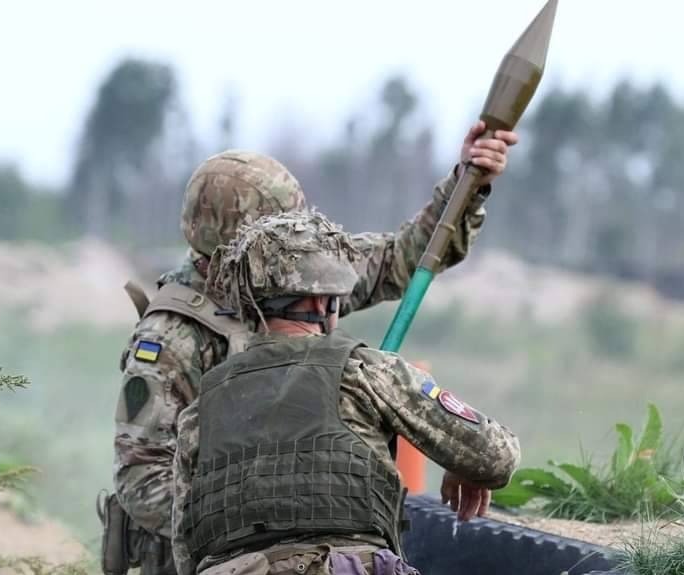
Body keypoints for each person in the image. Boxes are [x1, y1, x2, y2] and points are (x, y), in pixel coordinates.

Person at [104, 122, 518, 574]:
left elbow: (404, 257)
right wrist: (261, 502)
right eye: (285, 231)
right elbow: (142, 478)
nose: (300, 239)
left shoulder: (300, 269)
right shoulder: (172, 339)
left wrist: (465, 184)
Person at [171, 210, 520, 575]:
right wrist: (464, 465)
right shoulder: (364, 373)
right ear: (322, 301)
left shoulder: (200, 412)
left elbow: (184, 551)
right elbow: (497, 455)